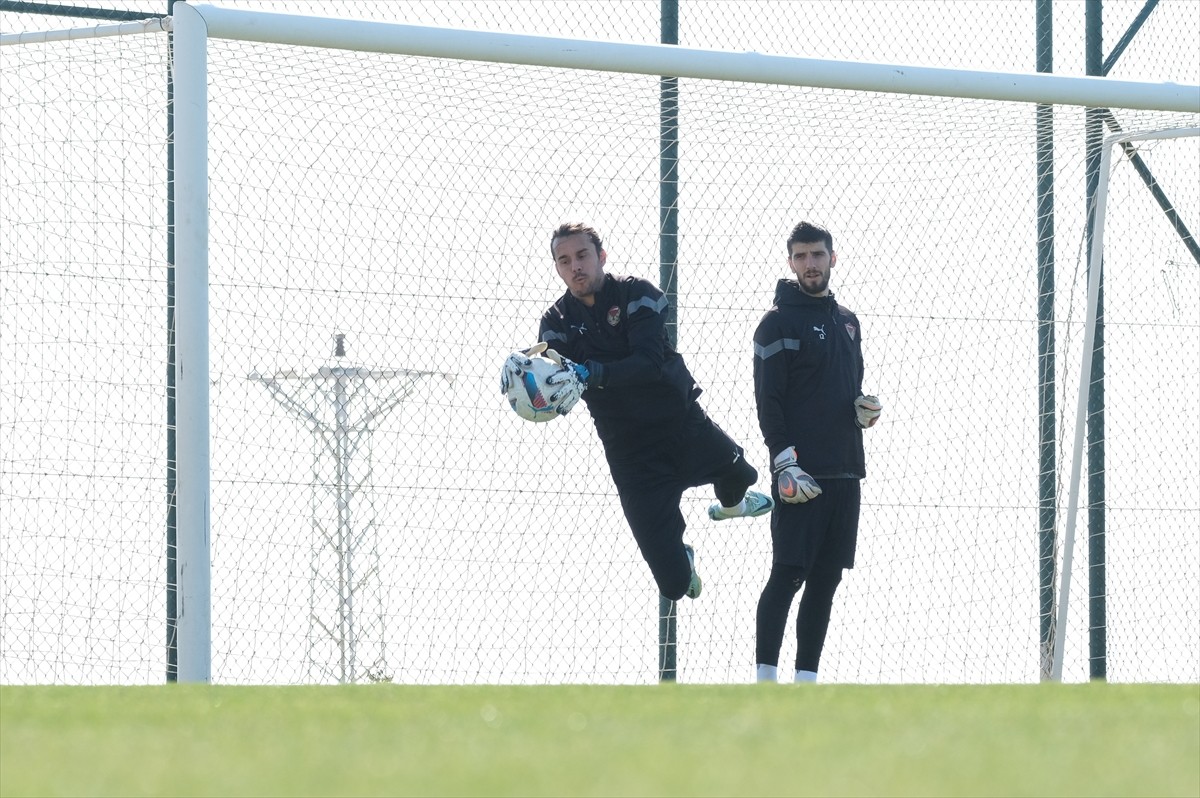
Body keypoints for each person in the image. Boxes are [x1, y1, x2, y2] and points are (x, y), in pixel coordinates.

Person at [507, 221, 773, 602]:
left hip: (681, 425)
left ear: (601, 256)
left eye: (582, 255)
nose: (575, 266)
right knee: (676, 587)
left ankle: (733, 507)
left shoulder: (637, 294)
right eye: (564, 260)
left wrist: (592, 372)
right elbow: (552, 383)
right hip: (631, 456)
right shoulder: (555, 323)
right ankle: (684, 558)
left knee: (743, 473)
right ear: (557, 268)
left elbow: (648, 362)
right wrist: (529, 383)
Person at [752, 221, 881, 683]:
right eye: (802, 256)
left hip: (847, 468)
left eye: (818, 255)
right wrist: (783, 459)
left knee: (827, 581)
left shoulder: (848, 321)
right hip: (800, 472)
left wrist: (864, 410)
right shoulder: (776, 322)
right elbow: (769, 399)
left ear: (832, 258)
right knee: (788, 573)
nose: (811, 264)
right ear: (790, 262)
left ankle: (805, 683)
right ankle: (765, 681)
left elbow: (849, 389)